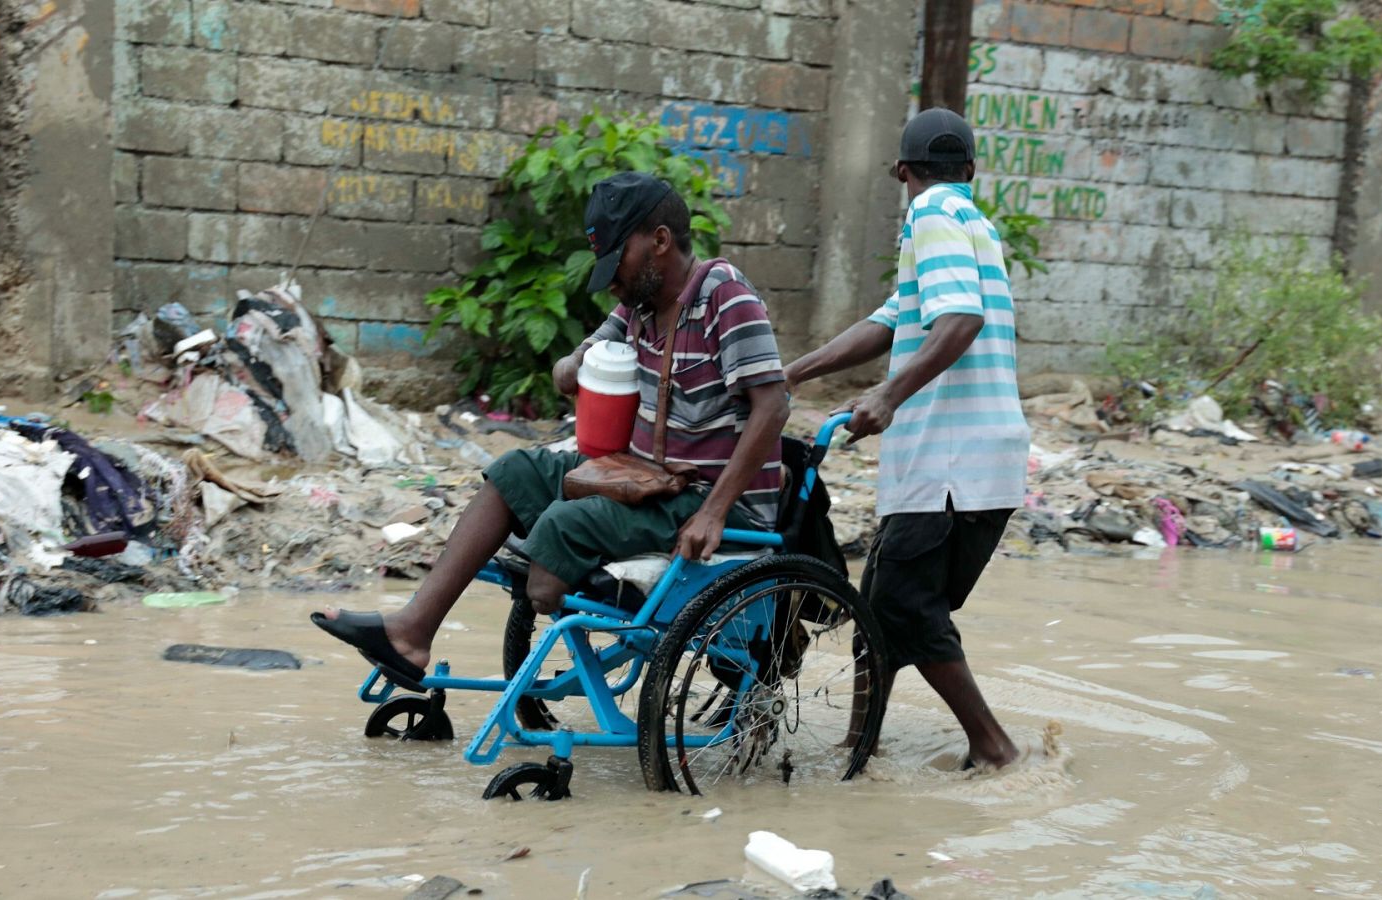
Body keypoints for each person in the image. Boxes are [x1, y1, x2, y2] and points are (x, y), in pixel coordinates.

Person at [314, 172, 790, 689]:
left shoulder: (725, 295)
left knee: (564, 528)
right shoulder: (638, 307)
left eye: (618, 262)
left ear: (659, 240)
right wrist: (574, 365)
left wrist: (714, 513)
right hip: (649, 481)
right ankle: (412, 632)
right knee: (514, 472)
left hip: (710, 497)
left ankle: (553, 578)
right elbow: (574, 361)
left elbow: (773, 407)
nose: (612, 282)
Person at [783, 108, 1030, 769]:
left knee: (904, 608)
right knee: (881, 614)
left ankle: (994, 750)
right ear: (970, 169)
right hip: (977, 464)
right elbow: (891, 321)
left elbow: (960, 320)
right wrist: (794, 373)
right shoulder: (973, 224)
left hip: (948, 466)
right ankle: (858, 749)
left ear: (901, 172)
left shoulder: (931, 213)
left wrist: (888, 397)